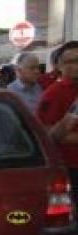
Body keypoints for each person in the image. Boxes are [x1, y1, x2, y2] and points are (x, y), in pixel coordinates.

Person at [38, 41, 78, 192]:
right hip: (70, 167)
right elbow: (48, 134)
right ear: (60, 66)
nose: (76, 65)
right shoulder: (54, 93)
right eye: (70, 61)